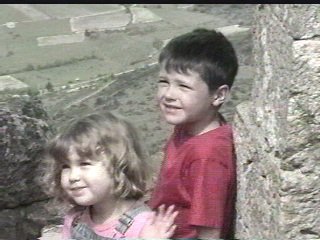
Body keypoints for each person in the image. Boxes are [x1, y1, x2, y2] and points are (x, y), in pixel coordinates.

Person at [148, 28, 238, 239]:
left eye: (183, 86)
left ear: (218, 95)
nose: (168, 94)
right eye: (164, 82)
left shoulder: (207, 155)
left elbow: (209, 232)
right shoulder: (189, 127)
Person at [40, 112, 178, 239]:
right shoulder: (75, 218)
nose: (73, 176)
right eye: (65, 166)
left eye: (84, 164)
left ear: (119, 166)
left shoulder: (143, 226)